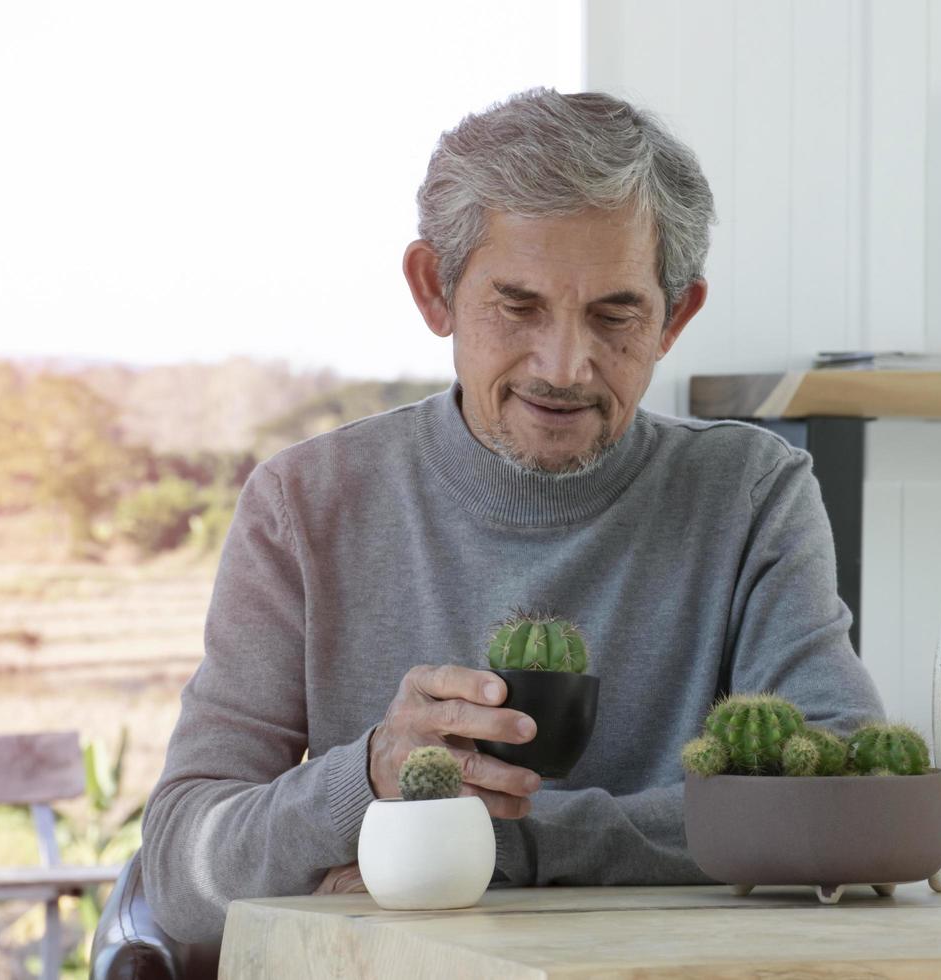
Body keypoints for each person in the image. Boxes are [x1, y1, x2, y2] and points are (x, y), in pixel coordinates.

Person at [141, 87, 886, 945]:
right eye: (518, 306)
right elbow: (180, 871)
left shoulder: (752, 492)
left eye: (616, 315)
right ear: (435, 290)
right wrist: (372, 774)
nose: (565, 366)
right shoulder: (303, 503)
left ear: (676, 317)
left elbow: (846, 805)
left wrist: (490, 842)